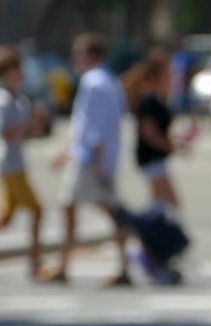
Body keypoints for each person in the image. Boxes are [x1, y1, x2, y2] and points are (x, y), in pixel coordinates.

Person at [40, 33, 129, 286]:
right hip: (98, 157)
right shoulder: (110, 81)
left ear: (91, 55)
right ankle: (120, 264)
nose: (75, 60)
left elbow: (94, 127)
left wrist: (91, 156)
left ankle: (64, 265)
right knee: (107, 210)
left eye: (78, 54)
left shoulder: (93, 82)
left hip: (90, 158)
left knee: (71, 206)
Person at [0, 46, 47, 279]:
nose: (19, 74)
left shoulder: (21, 99)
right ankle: (34, 259)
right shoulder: (5, 100)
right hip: (10, 164)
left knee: (6, 218)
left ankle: (34, 258)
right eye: (15, 70)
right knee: (38, 210)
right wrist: (27, 125)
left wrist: (37, 125)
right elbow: (5, 133)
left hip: (18, 162)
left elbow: (27, 133)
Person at [123, 49, 182, 210]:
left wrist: (174, 142)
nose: (171, 75)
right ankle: (146, 231)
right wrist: (169, 146)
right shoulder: (149, 99)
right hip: (151, 157)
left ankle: (155, 231)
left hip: (155, 157)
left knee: (163, 202)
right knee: (168, 203)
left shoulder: (157, 97)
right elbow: (148, 132)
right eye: (168, 71)